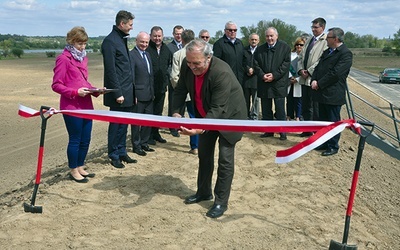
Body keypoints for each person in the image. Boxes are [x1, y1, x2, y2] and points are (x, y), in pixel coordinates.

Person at [172, 39, 247, 218]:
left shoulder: (221, 72)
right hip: (205, 114)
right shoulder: (188, 63)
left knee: (225, 159)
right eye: (189, 62)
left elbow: (218, 108)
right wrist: (175, 113)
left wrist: (198, 129)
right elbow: (180, 89)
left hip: (229, 117)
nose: (192, 67)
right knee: (204, 154)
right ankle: (203, 192)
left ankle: (221, 202)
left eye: (196, 63)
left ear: (208, 58)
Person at [52, 26, 99, 183]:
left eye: (84, 43)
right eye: (79, 43)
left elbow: (83, 81)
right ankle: (73, 170)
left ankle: (80, 166)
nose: (83, 47)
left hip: (86, 104)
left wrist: (96, 90)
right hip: (71, 106)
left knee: (86, 139)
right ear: (71, 42)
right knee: (75, 139)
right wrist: (74, 92)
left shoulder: (83, 58)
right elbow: (56, 85)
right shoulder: (63, 59)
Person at [102, 10, 137, 169]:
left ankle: (122, 152)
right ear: (122, 24)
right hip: (119, 93)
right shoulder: (110, 41)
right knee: (116, 125)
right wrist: (117, 93)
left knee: (124, 124)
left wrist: (132, 92)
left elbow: (126, 68)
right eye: (130, 25)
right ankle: (114, 154)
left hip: (128, 92)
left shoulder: (122, 39)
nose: (131, 27)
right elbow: (111, 71)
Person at [311, 27, 353, 156]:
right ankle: (323, 142)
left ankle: (333, 146)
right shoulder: (327, 51)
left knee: (333, 121)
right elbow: (318, 67)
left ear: (335, 39)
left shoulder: (345, 54)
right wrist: (313, 79)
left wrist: (320, 83)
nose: (326, 40)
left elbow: (335, 74)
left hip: (333, 94)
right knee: (322, 120)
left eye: (327, 38)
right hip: (321, 93)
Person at [254, 27, 291, 140]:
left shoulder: (285, 47)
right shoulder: (259, 49)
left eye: (271, 36)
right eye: (267, 36)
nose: (269, 38)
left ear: (276, 36)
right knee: (266, 109)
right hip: (264, 83)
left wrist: (274, 75)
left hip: (278, 83)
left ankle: (282, 131)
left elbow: (286, 64)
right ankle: (268, 131)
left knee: (280, 109)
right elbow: (255, 64)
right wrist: (262, 75)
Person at [297, 17, 328, 136]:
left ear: (322, 28)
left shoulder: (325, 42)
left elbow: (321, 60)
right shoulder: (309, 40)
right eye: (312, 27)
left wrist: (309, 71)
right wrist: (300, 70)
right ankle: (307, 129)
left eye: (316, 27)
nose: (313, 29)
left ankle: (316, 131)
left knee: (315, 107)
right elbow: (301, 57)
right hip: (304, 79)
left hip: (314, 79)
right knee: (306, 105)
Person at [170, 29, 198, 155]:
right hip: (195, 92)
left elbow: (174, 76)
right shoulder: (197, 54)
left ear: (182, 39)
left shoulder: (177, 54)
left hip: (182, 93)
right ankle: (195, 146)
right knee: (195, 118)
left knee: (183, 116)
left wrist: (180, 90)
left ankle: (192, 144)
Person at [130, 32, 155, 156]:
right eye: (142, 42)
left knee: (148, 120)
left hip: (149, 94)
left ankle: (144, 143)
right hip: (138, 95)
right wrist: (133, 94)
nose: (144, 44)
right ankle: (136, 145)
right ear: (136, 41)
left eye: (146, 42)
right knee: (137, 122)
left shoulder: (148, 55)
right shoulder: (132, 55)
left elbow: (150, 76)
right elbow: (132, 77)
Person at [146, 26, 172, 145]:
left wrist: (166, 81)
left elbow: (169, 66)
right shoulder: (147, 49)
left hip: (161, 87)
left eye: (159, 36)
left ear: (163, 36)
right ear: (151, 36)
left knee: (158, 112)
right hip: (149, 87)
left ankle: (156, 133)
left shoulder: (166, 49)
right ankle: (148, 135)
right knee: (149, 113)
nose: (157, 38)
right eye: (155, 36)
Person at [213, 21, 245, 86]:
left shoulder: (239, 43)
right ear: (225, 31)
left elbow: (243, 59)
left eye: (235, 30)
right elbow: (216, 62)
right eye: (230, 30)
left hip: (240, 78)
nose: (233, 32)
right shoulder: (219, 44)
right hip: (226, 78)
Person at [167, 25, 185, 138]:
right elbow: (168, 65)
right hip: (174, 81)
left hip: (184, 82)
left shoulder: (186, 46)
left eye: (180, 33)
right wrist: (174, 79)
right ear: (173, 34)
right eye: (177, 33)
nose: (179, 35)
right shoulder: (169, 47)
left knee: (182, 104)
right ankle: (172, 126)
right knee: (173, 104)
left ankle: (180, 125)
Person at [286, 37, 305, 121]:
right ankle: (289, 115)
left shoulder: (305, 56)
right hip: (290, 80)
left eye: (301, 45)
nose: (299, 46)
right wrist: (291, 77)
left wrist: (297, 79)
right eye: (297, 44)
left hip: (299, 80)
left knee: (298, 100)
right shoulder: (290, 55)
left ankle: (298, 116)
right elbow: (287, 67)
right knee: (289, 99)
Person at [243, 33, 260, 120]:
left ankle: (254, 116)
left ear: (258, 41)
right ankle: (245, 115)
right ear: (249, 40)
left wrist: (254, 70)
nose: (253, 41)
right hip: (246, 79)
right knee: (245, 99)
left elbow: (262, 64)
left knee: (256, 100)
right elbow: (241, 63)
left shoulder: (261, 50)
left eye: (255, 40)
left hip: (256, 79)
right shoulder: (244, 50)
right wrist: (247, 69)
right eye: (252, 39)